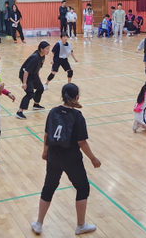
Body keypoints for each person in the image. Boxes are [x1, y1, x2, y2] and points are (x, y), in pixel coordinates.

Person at [30, 83, 101, 236]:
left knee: (48, 187)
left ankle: (38, 223)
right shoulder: (77, 116)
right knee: (82, 188)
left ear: (62, 96)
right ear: (76, 97)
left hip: (53, 156)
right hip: (71, 158)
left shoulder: (53, 111)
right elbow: (81, 142)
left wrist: (45, 152)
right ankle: (80, 225)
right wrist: (93, 158)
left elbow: (47, 135)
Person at [15, 41, 50, 120]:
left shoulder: (42, 56)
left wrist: (38, 77)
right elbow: (26, 71)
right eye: (47, 48)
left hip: (33, 74)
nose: (48, 50)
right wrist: (24, 83)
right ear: (41, 49)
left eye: (49, 48)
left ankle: (36, 104)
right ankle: (19, 112)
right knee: (30, 93)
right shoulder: (35, 57)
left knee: (40, 88)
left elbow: (37, 68)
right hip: (25, 75)